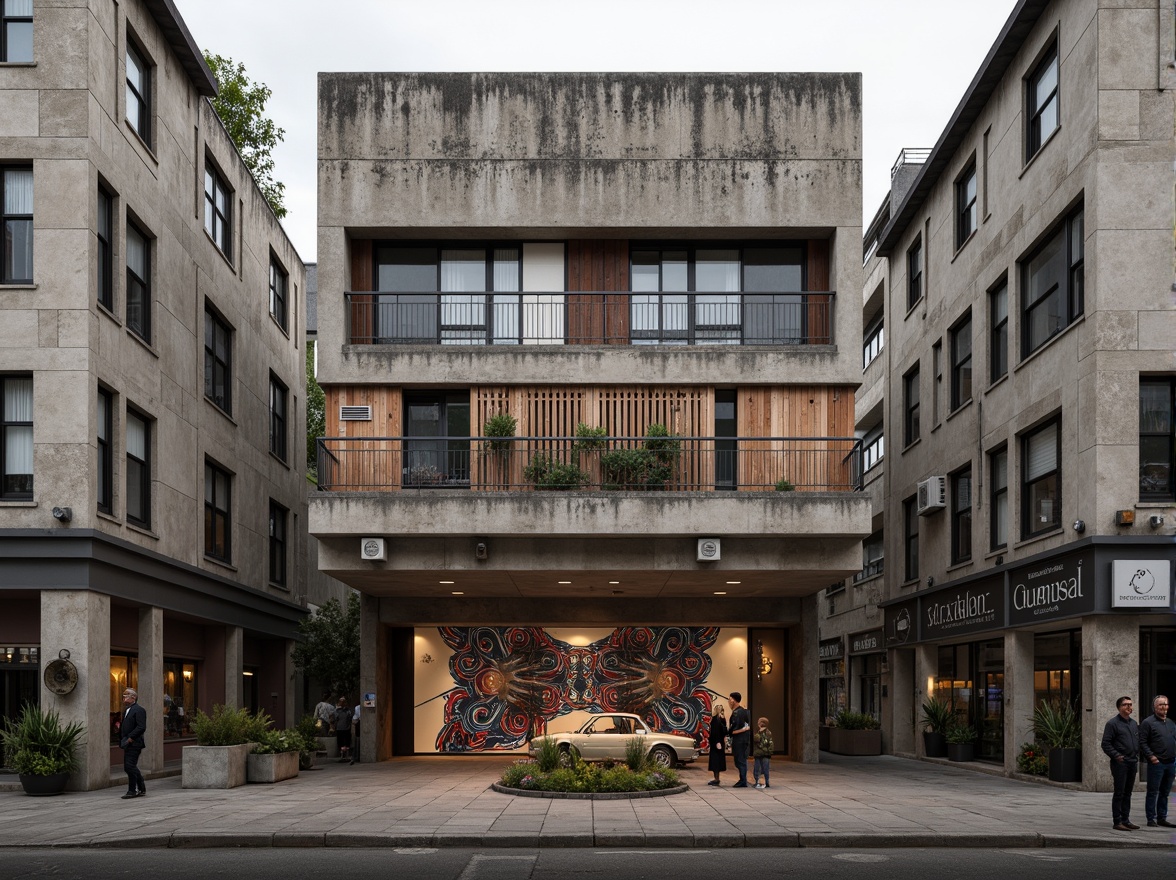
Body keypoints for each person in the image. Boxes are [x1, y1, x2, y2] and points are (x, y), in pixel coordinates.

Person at [1100, 696, 1139, 830]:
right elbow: (1105, 743)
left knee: (1128, 792)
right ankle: (1117, 821)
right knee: (1119, 792)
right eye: (1125, 705)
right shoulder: (1112, 724)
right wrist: (1117, 755)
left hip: (1133, 762)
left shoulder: (1134, 723)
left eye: (1130, 704)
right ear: (1119, 707)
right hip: (1120, 763)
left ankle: (1126, 819)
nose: (1129, 707)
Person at [1139, 694, 1176, 828]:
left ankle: (1162, 818)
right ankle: (1151, 819)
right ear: (1155, 707)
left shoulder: (1171, 723)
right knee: (1153, 792)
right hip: (1157, 763)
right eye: (1161, 704)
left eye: (1166, 704)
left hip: (1171, 763)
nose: (1164, 707)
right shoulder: (1148, 723)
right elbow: (1142, 742)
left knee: (1165, 792)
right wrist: (1151, 756)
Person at [119, 687, 147, 799]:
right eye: (123, 696)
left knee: (129, 766)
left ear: (133, 697)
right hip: (126, 742)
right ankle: (141, 787)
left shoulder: (139, 710)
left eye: (126, 696)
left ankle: (132, 790)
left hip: (134, 743)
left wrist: (130, 738)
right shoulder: (126, 710)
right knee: (129, 766)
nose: (124, 698)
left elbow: (141, 727)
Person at [727, 691, 751, 788]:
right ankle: (742, 779)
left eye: (730, 699)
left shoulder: (737, 713)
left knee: (739, 760)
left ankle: (743, 781)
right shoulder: (744, 711)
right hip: (743, 740)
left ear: (734, 700)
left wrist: (729, 732)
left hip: (739, 741)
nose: (728, 702)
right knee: (741, 760)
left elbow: (734, 729)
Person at [706, 703, 727, 786]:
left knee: (715, 761)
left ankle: (716, 779)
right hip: (721, 742)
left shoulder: (715, 719)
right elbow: (724, 731)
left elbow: (715, 732)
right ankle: (717, 778)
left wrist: (716, 742)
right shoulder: (723, 719)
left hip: (716, 742)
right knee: (719, 761)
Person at [753, 716, 774, 790]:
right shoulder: (769, 732)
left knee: (759, 768)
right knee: (765, 768)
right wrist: (770, 752)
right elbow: (771, 743)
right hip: (766, 753)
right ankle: (765, 781)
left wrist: (759, 732)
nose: (758, 723)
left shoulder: (762, 732)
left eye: (759, 722)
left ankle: (759, 781)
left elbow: (756, 739)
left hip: (760, 753)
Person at [334, 697, 353, 764]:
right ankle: (342, 756)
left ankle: (347, 756)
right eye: (341, 701)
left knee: (346, 742)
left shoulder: (348, 711)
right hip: (340, 728)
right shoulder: (337, 711)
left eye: (343, 701)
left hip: (346, 728)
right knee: (340, 742)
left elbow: (350, 718)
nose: (342, 703)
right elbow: (335, 719)